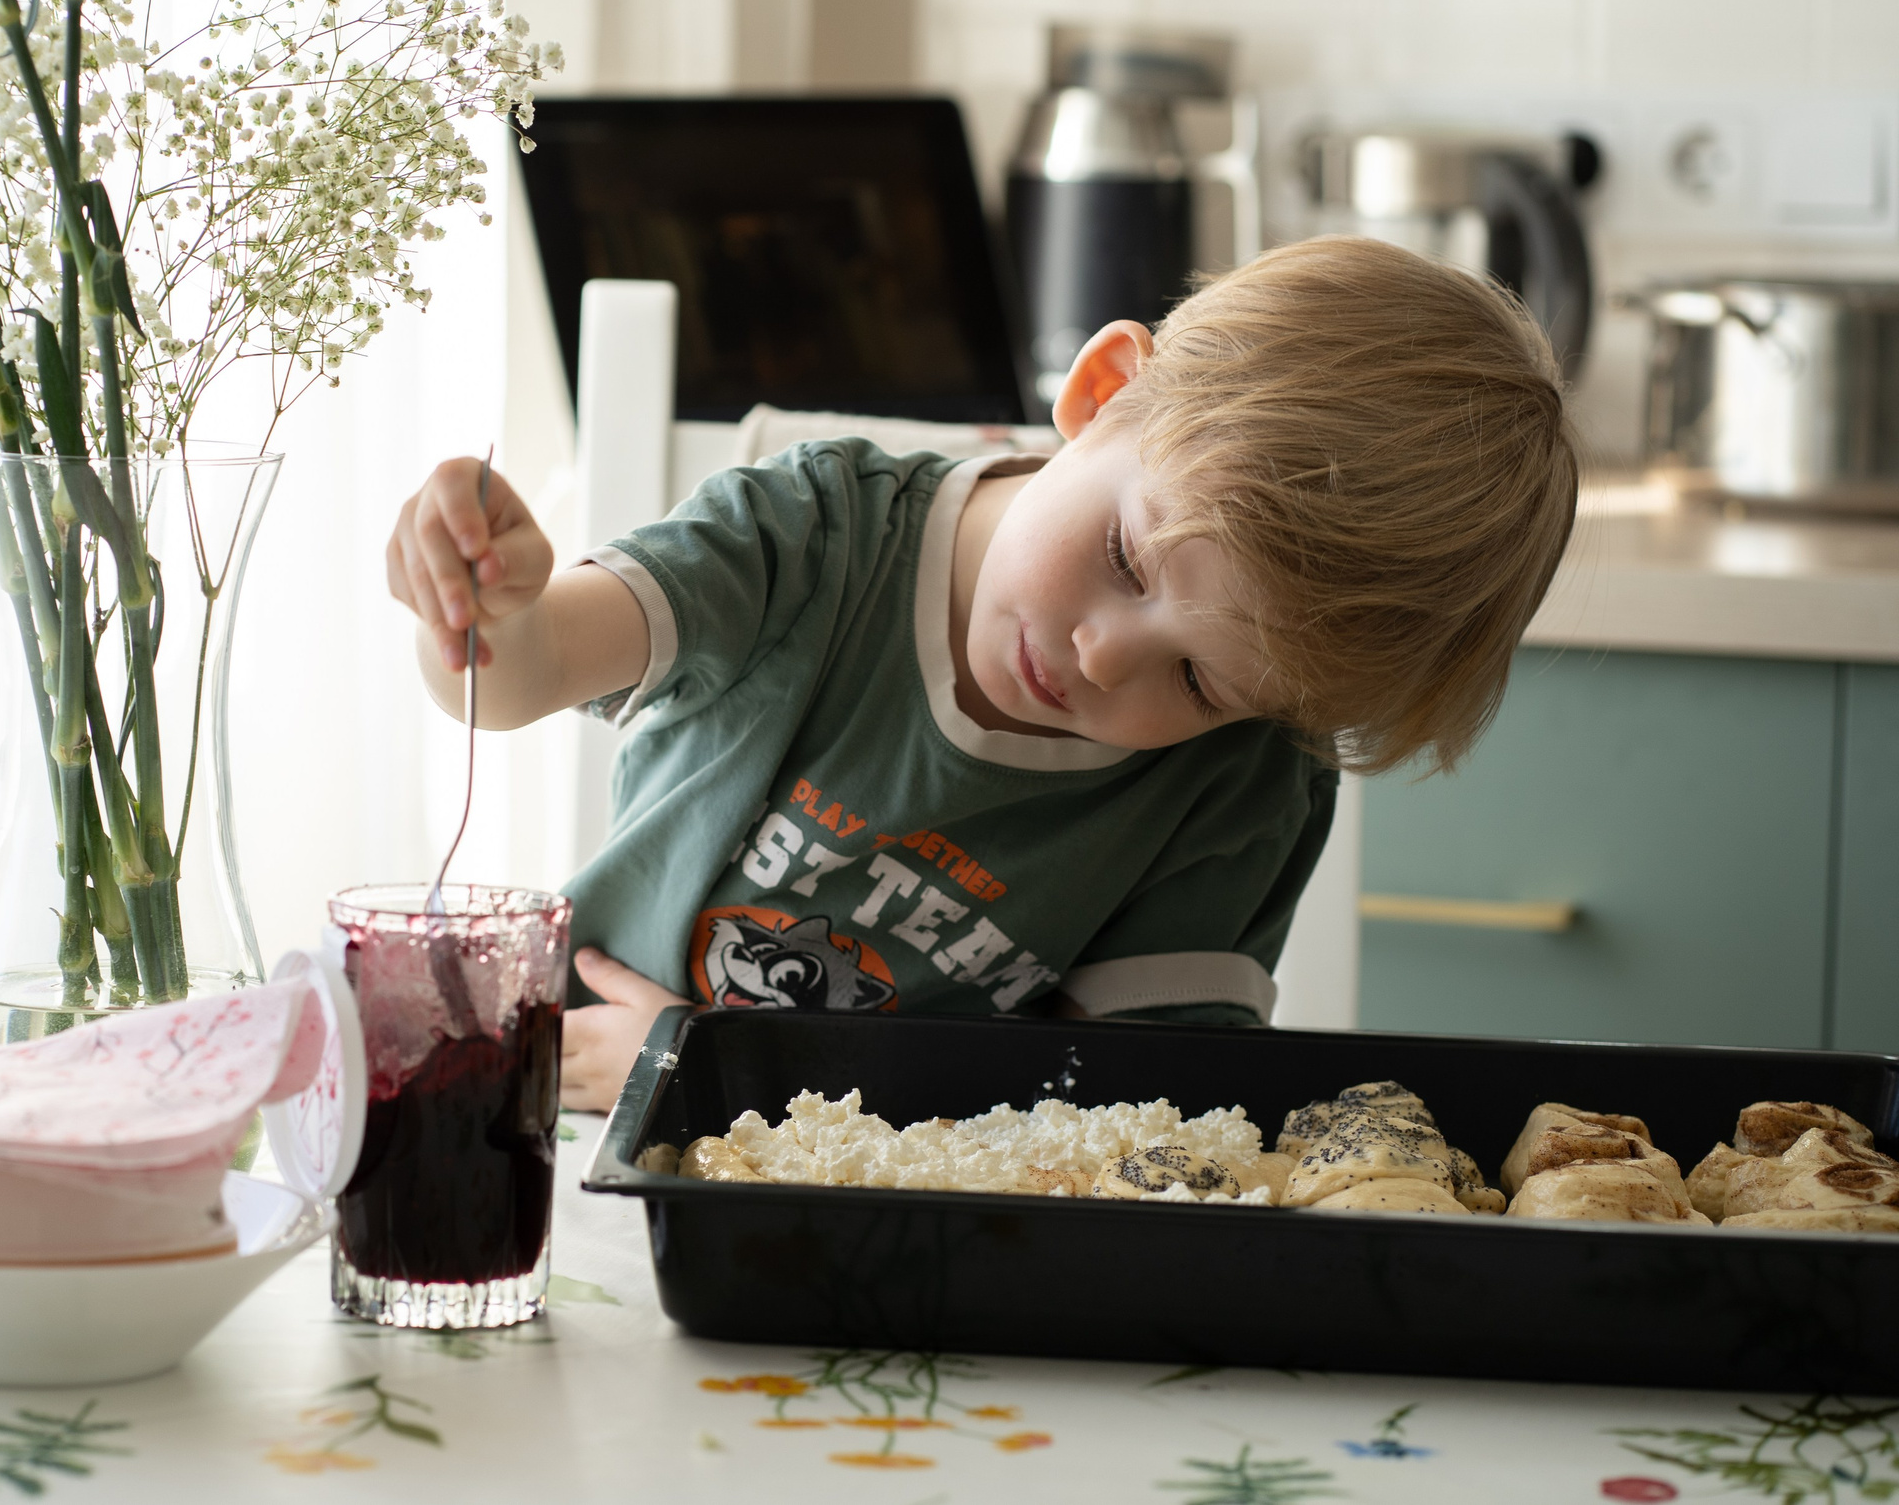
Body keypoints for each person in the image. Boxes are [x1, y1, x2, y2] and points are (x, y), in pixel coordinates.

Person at [387, 236, 1580, 1111]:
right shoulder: (811, 538)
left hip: (904, 1213)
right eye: (1124, 554)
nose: (1106, 657)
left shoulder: (1239, 787)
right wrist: (480, 607)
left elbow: (1136, 1113)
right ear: (1104, 392)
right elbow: (521, 675)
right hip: (571, 1115)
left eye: (1203, 682)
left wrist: (730, 1073)